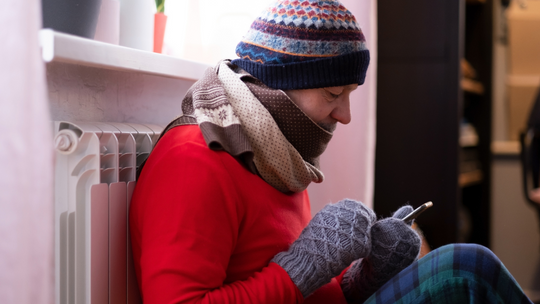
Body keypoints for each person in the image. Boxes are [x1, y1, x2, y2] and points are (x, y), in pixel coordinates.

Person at [129, 0, 533, 303]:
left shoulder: (274, 152)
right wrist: (303, 266)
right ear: (276, 87)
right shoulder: (196, 159)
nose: (345, 115)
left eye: (350, 94)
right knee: (465, 268)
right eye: (333, 94)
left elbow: (300, 287)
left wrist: (365, 276)